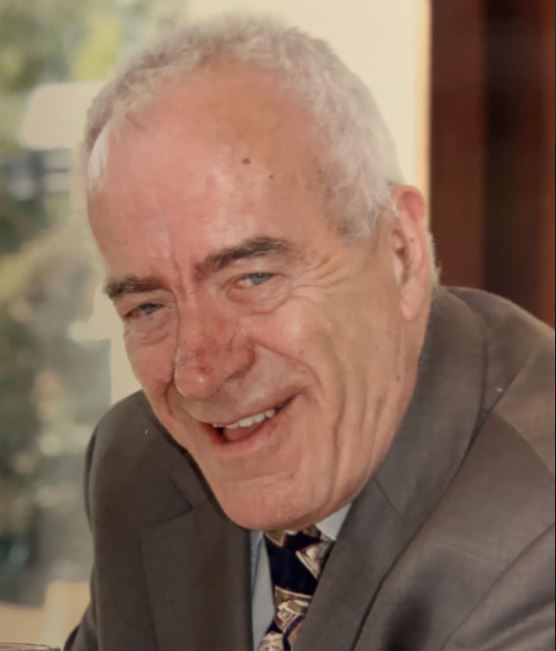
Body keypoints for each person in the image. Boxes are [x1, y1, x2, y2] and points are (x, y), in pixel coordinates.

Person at [65, 14, 554, 651]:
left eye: (252, 277)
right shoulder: (143, 467)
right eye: (149, 308)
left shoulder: (537, 528)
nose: (200, 374)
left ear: (401, 251)